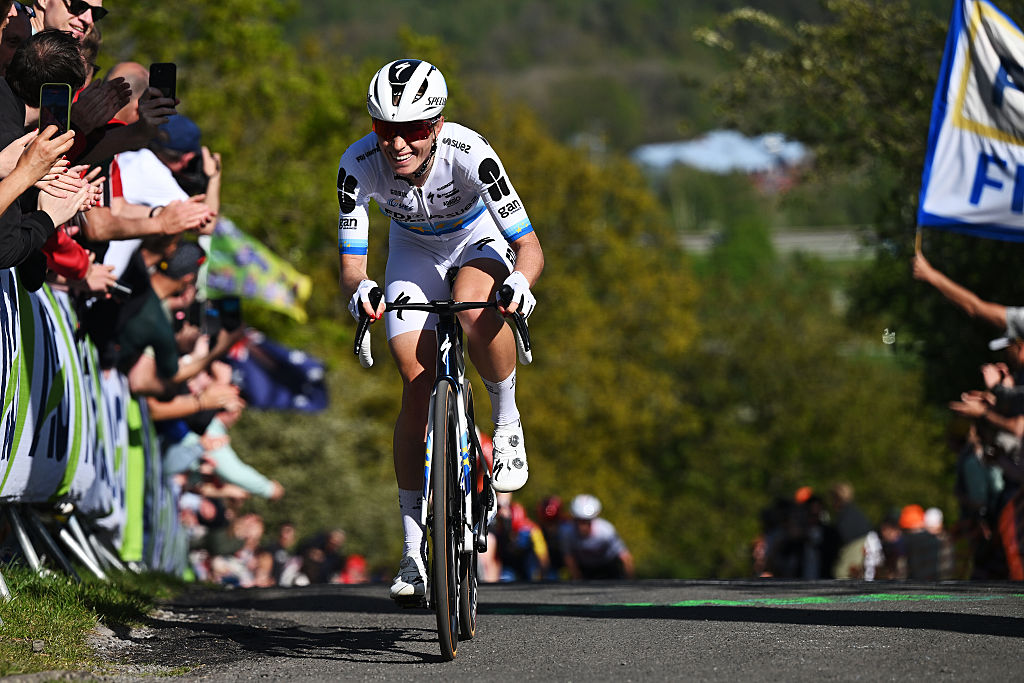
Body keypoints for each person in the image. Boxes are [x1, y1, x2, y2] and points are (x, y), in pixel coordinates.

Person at [336, 59, 544, 602]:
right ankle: (411, 551)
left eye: (412, 130)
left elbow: (529, 246)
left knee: (475, 307)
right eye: (385, 129)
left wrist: (520, 281)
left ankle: (505, 418)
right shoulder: (356, 165)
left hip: (477, 241)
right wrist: (360, 290)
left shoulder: (472, 154)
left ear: (438, 125)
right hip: (411, 250)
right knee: (415, 383)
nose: (398, 144)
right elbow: (353, 265)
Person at [561, 494, 634, 580]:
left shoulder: (606, 531)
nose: (582, 526)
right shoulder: (567, 533)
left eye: (586, 521)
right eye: (578, 520)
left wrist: (630, 582)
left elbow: (625, 557)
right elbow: (569, 558)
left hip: (608, 568)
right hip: (585, 570)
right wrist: (577, 580)